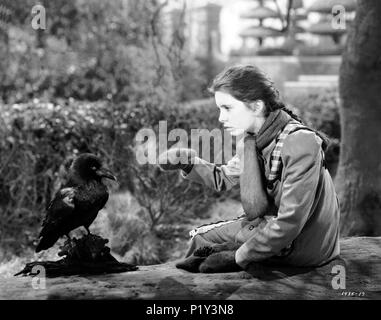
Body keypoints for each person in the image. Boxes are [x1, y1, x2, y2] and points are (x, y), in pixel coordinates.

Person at [158, 65, 340, 273]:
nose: (221, 118)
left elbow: (291, 220)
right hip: (270, 226)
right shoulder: (252, 141)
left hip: (303, 245)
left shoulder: (300, 142)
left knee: (211, 258)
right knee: (200, 239)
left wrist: (237, 256)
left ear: (256, 106)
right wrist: (189, 162)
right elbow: (224, 177)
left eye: (227, 108)